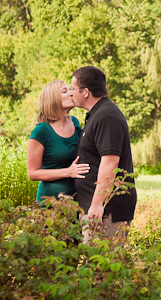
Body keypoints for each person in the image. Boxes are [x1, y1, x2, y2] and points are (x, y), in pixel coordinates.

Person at [70, 65, 137, 243]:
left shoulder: (107, 116)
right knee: (93, 267)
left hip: (106, 211)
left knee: (102, 268)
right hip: (95, 209)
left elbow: (110, 162)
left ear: (85, 92)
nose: (71, 93)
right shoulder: (96, 114)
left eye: (73, 89)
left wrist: (97, 204)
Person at [26, 80, 90, 203]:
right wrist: (68, 172)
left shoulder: (75, 122)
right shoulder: (41, 131)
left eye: (70, 89)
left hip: (77, 201)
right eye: (64, 91)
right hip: (50, 203)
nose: (71, 93)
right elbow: (32, 173)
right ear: (53, 99)